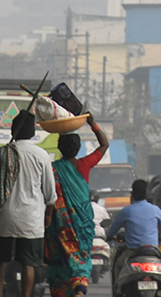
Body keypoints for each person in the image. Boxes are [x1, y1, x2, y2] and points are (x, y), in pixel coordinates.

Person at [0, 111, 57, 297]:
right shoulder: (41, 155)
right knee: (28, 263)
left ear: (13, 130)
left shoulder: (1, 153)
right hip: (31, 220)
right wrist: (48, 216)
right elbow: (50, 194)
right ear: (32, 132)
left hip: (3, 218)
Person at [46, 113, 107, 297]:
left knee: (59, 261)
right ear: (79, 148)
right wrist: (93, 124)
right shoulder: (85, 164)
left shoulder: (53, 168)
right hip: (83, 223)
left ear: (59, 148)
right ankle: (79, 289)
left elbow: (48, 197)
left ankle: (60, 291)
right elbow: (104, 145)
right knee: (80, 258)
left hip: (59, 224)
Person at [106, 179, 161, 279]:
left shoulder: (127, 211)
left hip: (133, 252)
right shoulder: (155, 209)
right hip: (154, 252)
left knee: (118, 265)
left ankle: (118, 289)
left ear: (132, 194)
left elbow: (112, 230)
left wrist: (110, 235)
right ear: (146, 193)